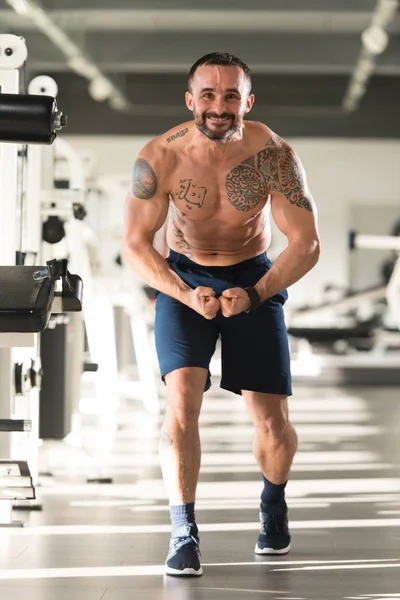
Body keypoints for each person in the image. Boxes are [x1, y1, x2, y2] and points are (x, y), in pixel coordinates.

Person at [123, 52, 320, 577]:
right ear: (190, 101)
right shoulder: (159, 157)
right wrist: (186, 294)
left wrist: (255, 295)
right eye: (207, 95)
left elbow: (306, 243)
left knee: (272, 421)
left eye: (231, 95)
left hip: (252, 278)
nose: (218, 106)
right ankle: (183, 528)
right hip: (184, 278)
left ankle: (273, 502)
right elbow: (136, 245)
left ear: (247, 102)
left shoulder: (274, 155)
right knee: (181, 399)